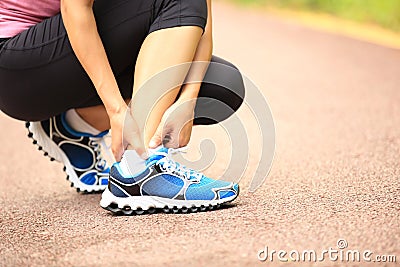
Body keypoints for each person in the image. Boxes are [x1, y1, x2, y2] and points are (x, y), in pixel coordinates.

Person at [0, 0, 245, 214]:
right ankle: (139, 168)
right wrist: (116, 109)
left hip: (76, 55)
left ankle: (75, 123)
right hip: (19, 68)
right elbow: (74, 7)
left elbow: (202, 21)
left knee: (222, 85)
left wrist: (187, 100)